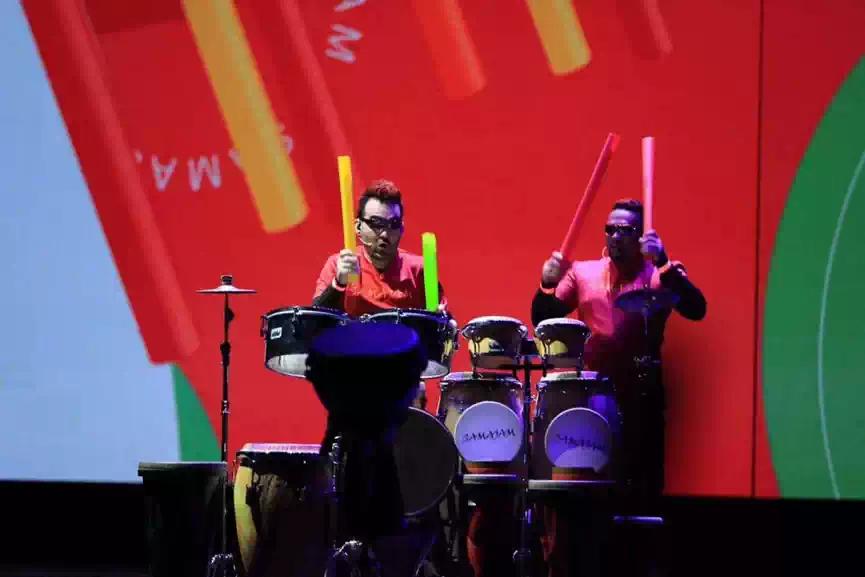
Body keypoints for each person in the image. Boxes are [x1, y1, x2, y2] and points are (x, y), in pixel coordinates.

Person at [530, 198, 706, 576]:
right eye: (609, 229)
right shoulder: (583, 273)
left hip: (641, 399)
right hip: (592, 402)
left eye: (624, 230)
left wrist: (663, 260)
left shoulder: (657, 275)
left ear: (640, 236)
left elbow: (696, 308)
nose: (614, 236)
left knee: (640, 498)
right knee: (591, 499)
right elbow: (543, 318)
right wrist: (547, 282)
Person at [311, 179, 448, 577]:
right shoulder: (340, 265)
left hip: (400, 406)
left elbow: (438, 334)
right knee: (345, 494)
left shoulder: (418, 269)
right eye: (375, 224)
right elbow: (316, 324)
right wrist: (339, 285)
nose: (384, 234)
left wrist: (443, 319)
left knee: (403, 503)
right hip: (351, 402)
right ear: (358, 227)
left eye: (393, 225)